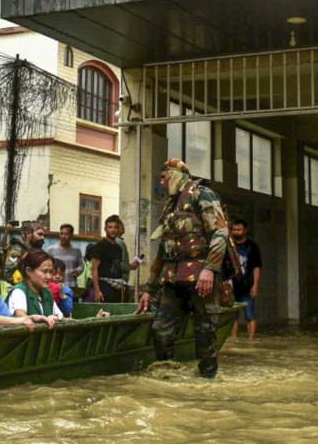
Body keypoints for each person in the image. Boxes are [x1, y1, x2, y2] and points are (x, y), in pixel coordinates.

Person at [137, 159, 238, 379]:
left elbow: (220, 233)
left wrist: (210, 269)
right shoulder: (169, 205)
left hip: (203, 276)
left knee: (205, 333)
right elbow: (163, 251)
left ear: (173, 175)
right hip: (173, 279)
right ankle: (167, 376)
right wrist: (149, 289)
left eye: (163, 178)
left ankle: (207, 380)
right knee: (160, 330)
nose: (161, 183)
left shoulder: (202, 194)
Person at [88, 215, 136, 303]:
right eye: (110, 227)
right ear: (105, 229)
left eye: (115, 228)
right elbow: (94, 269)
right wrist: (97, 291)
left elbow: (119, 267)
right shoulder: (100, 245)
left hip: (117, 286)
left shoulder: (118, 248)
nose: (113, 230)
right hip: (104, 285)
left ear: (118, 230)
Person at [229, 218, 262, 341]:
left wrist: (255, 285)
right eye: (234, 230)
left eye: (239, 229)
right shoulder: (229, 247)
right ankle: (234, 341)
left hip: (247, 287)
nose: (236, 232)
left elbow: (256, 267)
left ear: (245, 230)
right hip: (232, 287)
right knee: (232, 317)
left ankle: (251, 342)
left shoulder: (252, 247)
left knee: (250, 316)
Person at [7, 250, 61, 322]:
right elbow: (20, 316)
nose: (49, 277)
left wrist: (56, 318)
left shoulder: (47, 292)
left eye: (51, 272)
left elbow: (60, 316)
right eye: (44, 271)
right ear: (29, 271)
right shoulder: (19, 292)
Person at [47, 223, 84, 290]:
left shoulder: (77, 250)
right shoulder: (51, 249)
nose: (63, 236)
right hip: (55, 286)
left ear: (71, 235)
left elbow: (81, 265)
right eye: (61, 233)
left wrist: (78, 270)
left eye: (66, 234)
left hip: (71, 285)